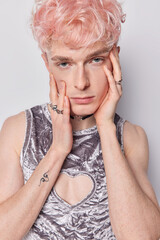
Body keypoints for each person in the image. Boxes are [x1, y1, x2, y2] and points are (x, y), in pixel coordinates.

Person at [0, 0, 160, 239]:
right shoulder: (19, 130)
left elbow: (144, 237)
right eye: (65, 63)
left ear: (113, 57)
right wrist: (57, 150)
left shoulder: (130, 137)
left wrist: (106, 127)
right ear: (47, 64)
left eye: (95, 60)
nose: (81, 82)